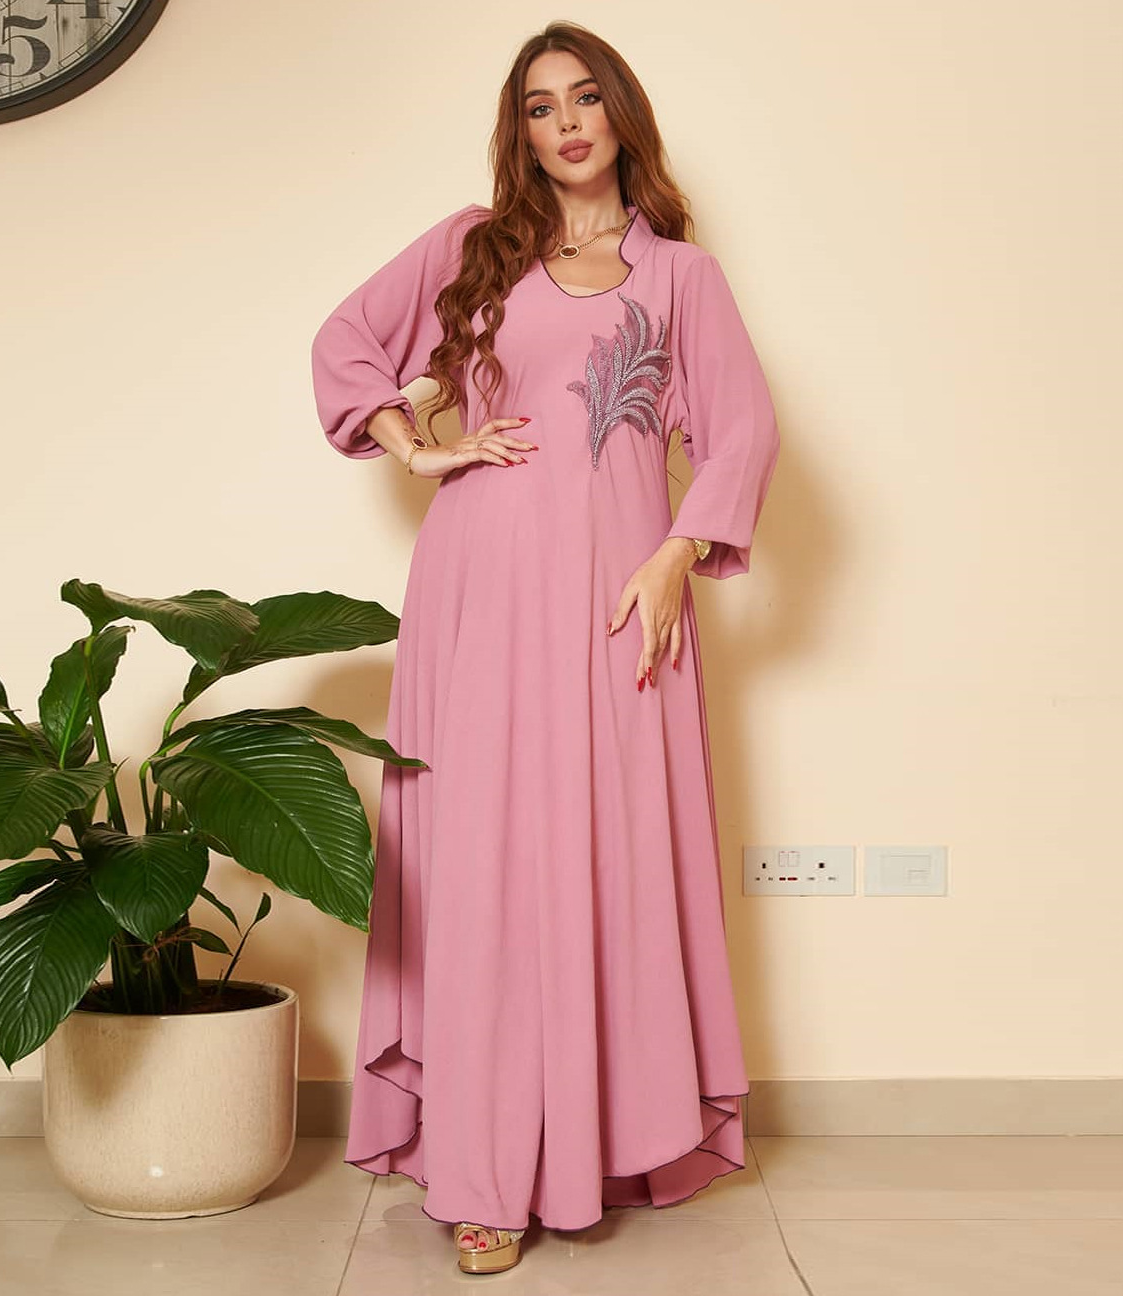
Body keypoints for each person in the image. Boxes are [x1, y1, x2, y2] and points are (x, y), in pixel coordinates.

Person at [310, 20, 780, 1276]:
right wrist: (419, 446)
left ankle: (591, 1140)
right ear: (518, 131)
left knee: (597, 857)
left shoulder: (681, 276)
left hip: (620, 600)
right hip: (477, 589)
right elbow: (346, 342)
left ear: (621, 113)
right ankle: (485, 1170)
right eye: (537, 106)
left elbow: (742, 430)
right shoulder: (475, 245)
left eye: (583, 98)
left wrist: (677, 555)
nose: (564, 123)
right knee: (483, 866)